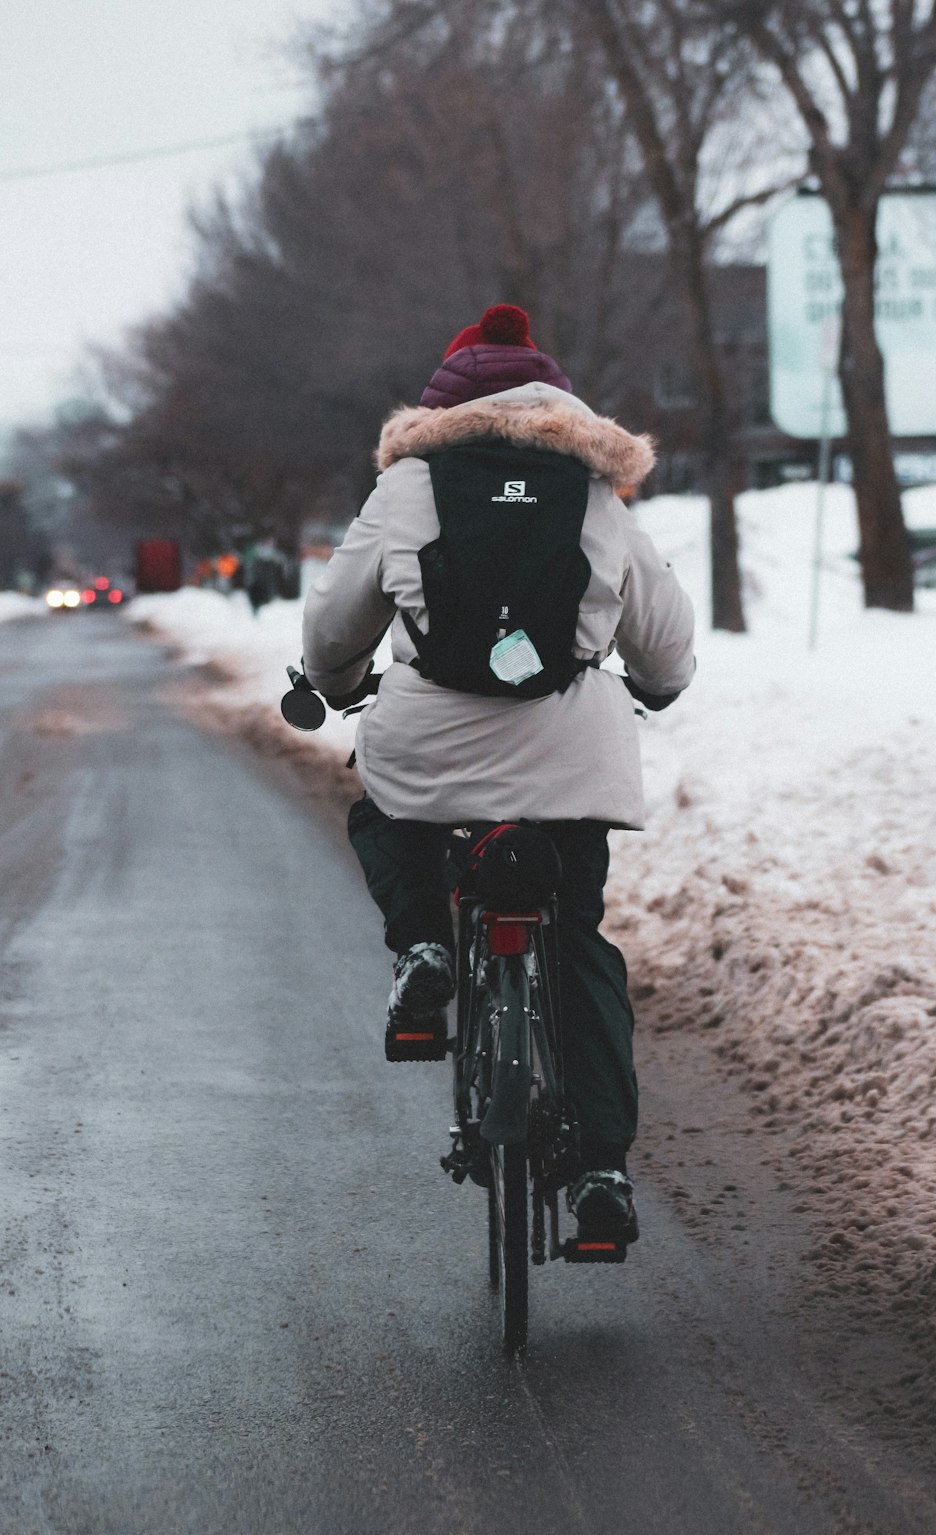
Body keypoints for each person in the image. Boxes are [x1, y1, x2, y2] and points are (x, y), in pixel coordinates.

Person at [302, 304, 695, 1238]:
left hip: (429, 756)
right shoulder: (595, 488)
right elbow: (668, 649)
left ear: (443, 401)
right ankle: (601, 1169)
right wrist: (648, 679)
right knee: (580, 940)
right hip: (570, 766)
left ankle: (426, 946)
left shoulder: (407, 487)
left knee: (380, 817)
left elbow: (331, 635)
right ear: (553, 398)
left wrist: (337, 679)